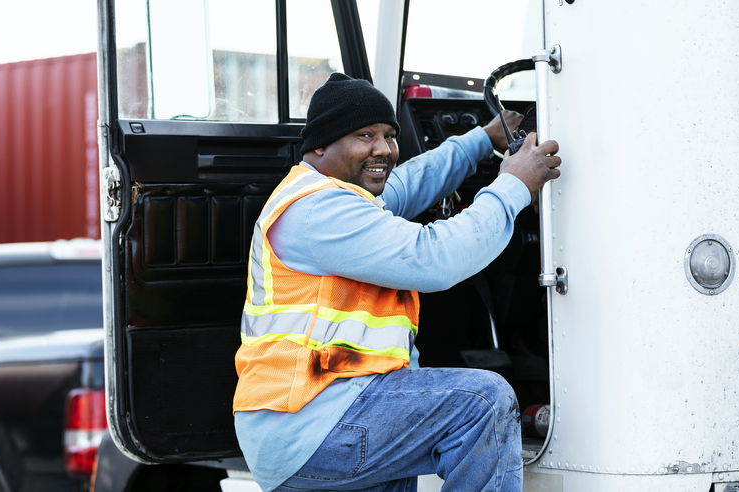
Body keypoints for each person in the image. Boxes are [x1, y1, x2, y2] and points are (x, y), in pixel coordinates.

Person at [234, 72, 561, 492]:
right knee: (480, 404)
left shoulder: (332, 195)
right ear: (320, 144)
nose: (383, 150)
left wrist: (484, 138)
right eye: (364, 136)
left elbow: (408, 183)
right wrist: (513, 185)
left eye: (390, 135)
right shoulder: (320, 210)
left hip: (316, 418)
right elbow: (434, 259)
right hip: (318, 418)